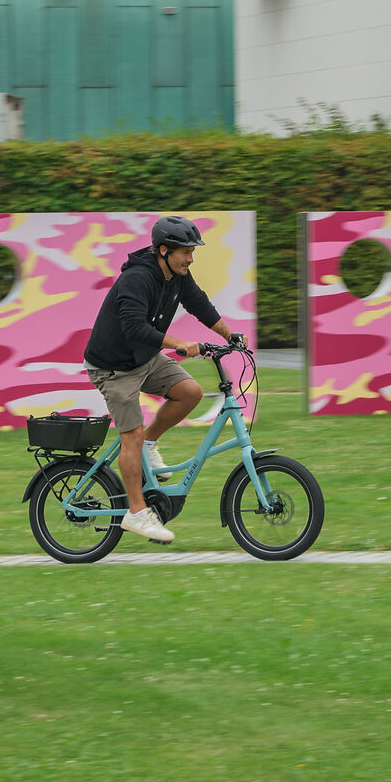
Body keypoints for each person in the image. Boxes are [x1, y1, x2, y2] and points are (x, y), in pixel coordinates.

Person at [82, 215, 245, 544]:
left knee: (189, 392)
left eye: (192, 251)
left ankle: (152, 442)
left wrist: (231, 336)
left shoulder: (178, 275)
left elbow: (199, 303)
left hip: (142, 358)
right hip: (113, 367)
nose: (190, 257)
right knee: (132, 436)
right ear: (162, 250)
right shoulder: (138, 279)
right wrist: (179, 344)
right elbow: (134, 328)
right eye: (185, 251)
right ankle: (137, 513)